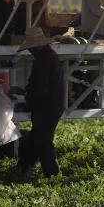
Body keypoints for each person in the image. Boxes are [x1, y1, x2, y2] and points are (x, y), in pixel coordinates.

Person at [17, 27, 65, 177]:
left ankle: (52, 173)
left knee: (43, 141)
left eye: (31, 48)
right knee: (36, 138)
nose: (30, 51)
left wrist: (26, 100)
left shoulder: (43, 61)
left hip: (46, 106)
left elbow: (40, 88)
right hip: (53, 105)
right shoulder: (50, 56)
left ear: (36, 46)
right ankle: (25, 167)